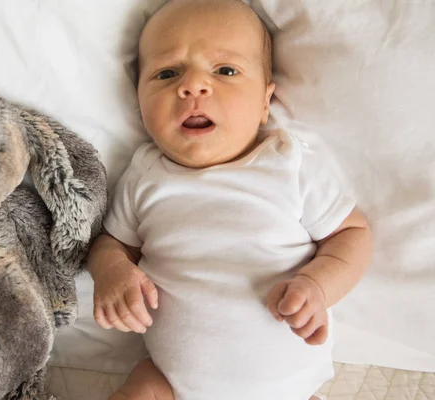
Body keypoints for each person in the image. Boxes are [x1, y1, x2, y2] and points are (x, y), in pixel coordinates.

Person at [87, 1, 373, 399]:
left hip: (289, 386)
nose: (192, 86)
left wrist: (318, 286)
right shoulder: (146, 175)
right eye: (167, 73)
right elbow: (111, 242)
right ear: (139, 103)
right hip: (171, 382)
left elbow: (353, 234)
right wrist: (112, 271)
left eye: (225, 70)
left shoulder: (289, 165)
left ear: (264, 103)